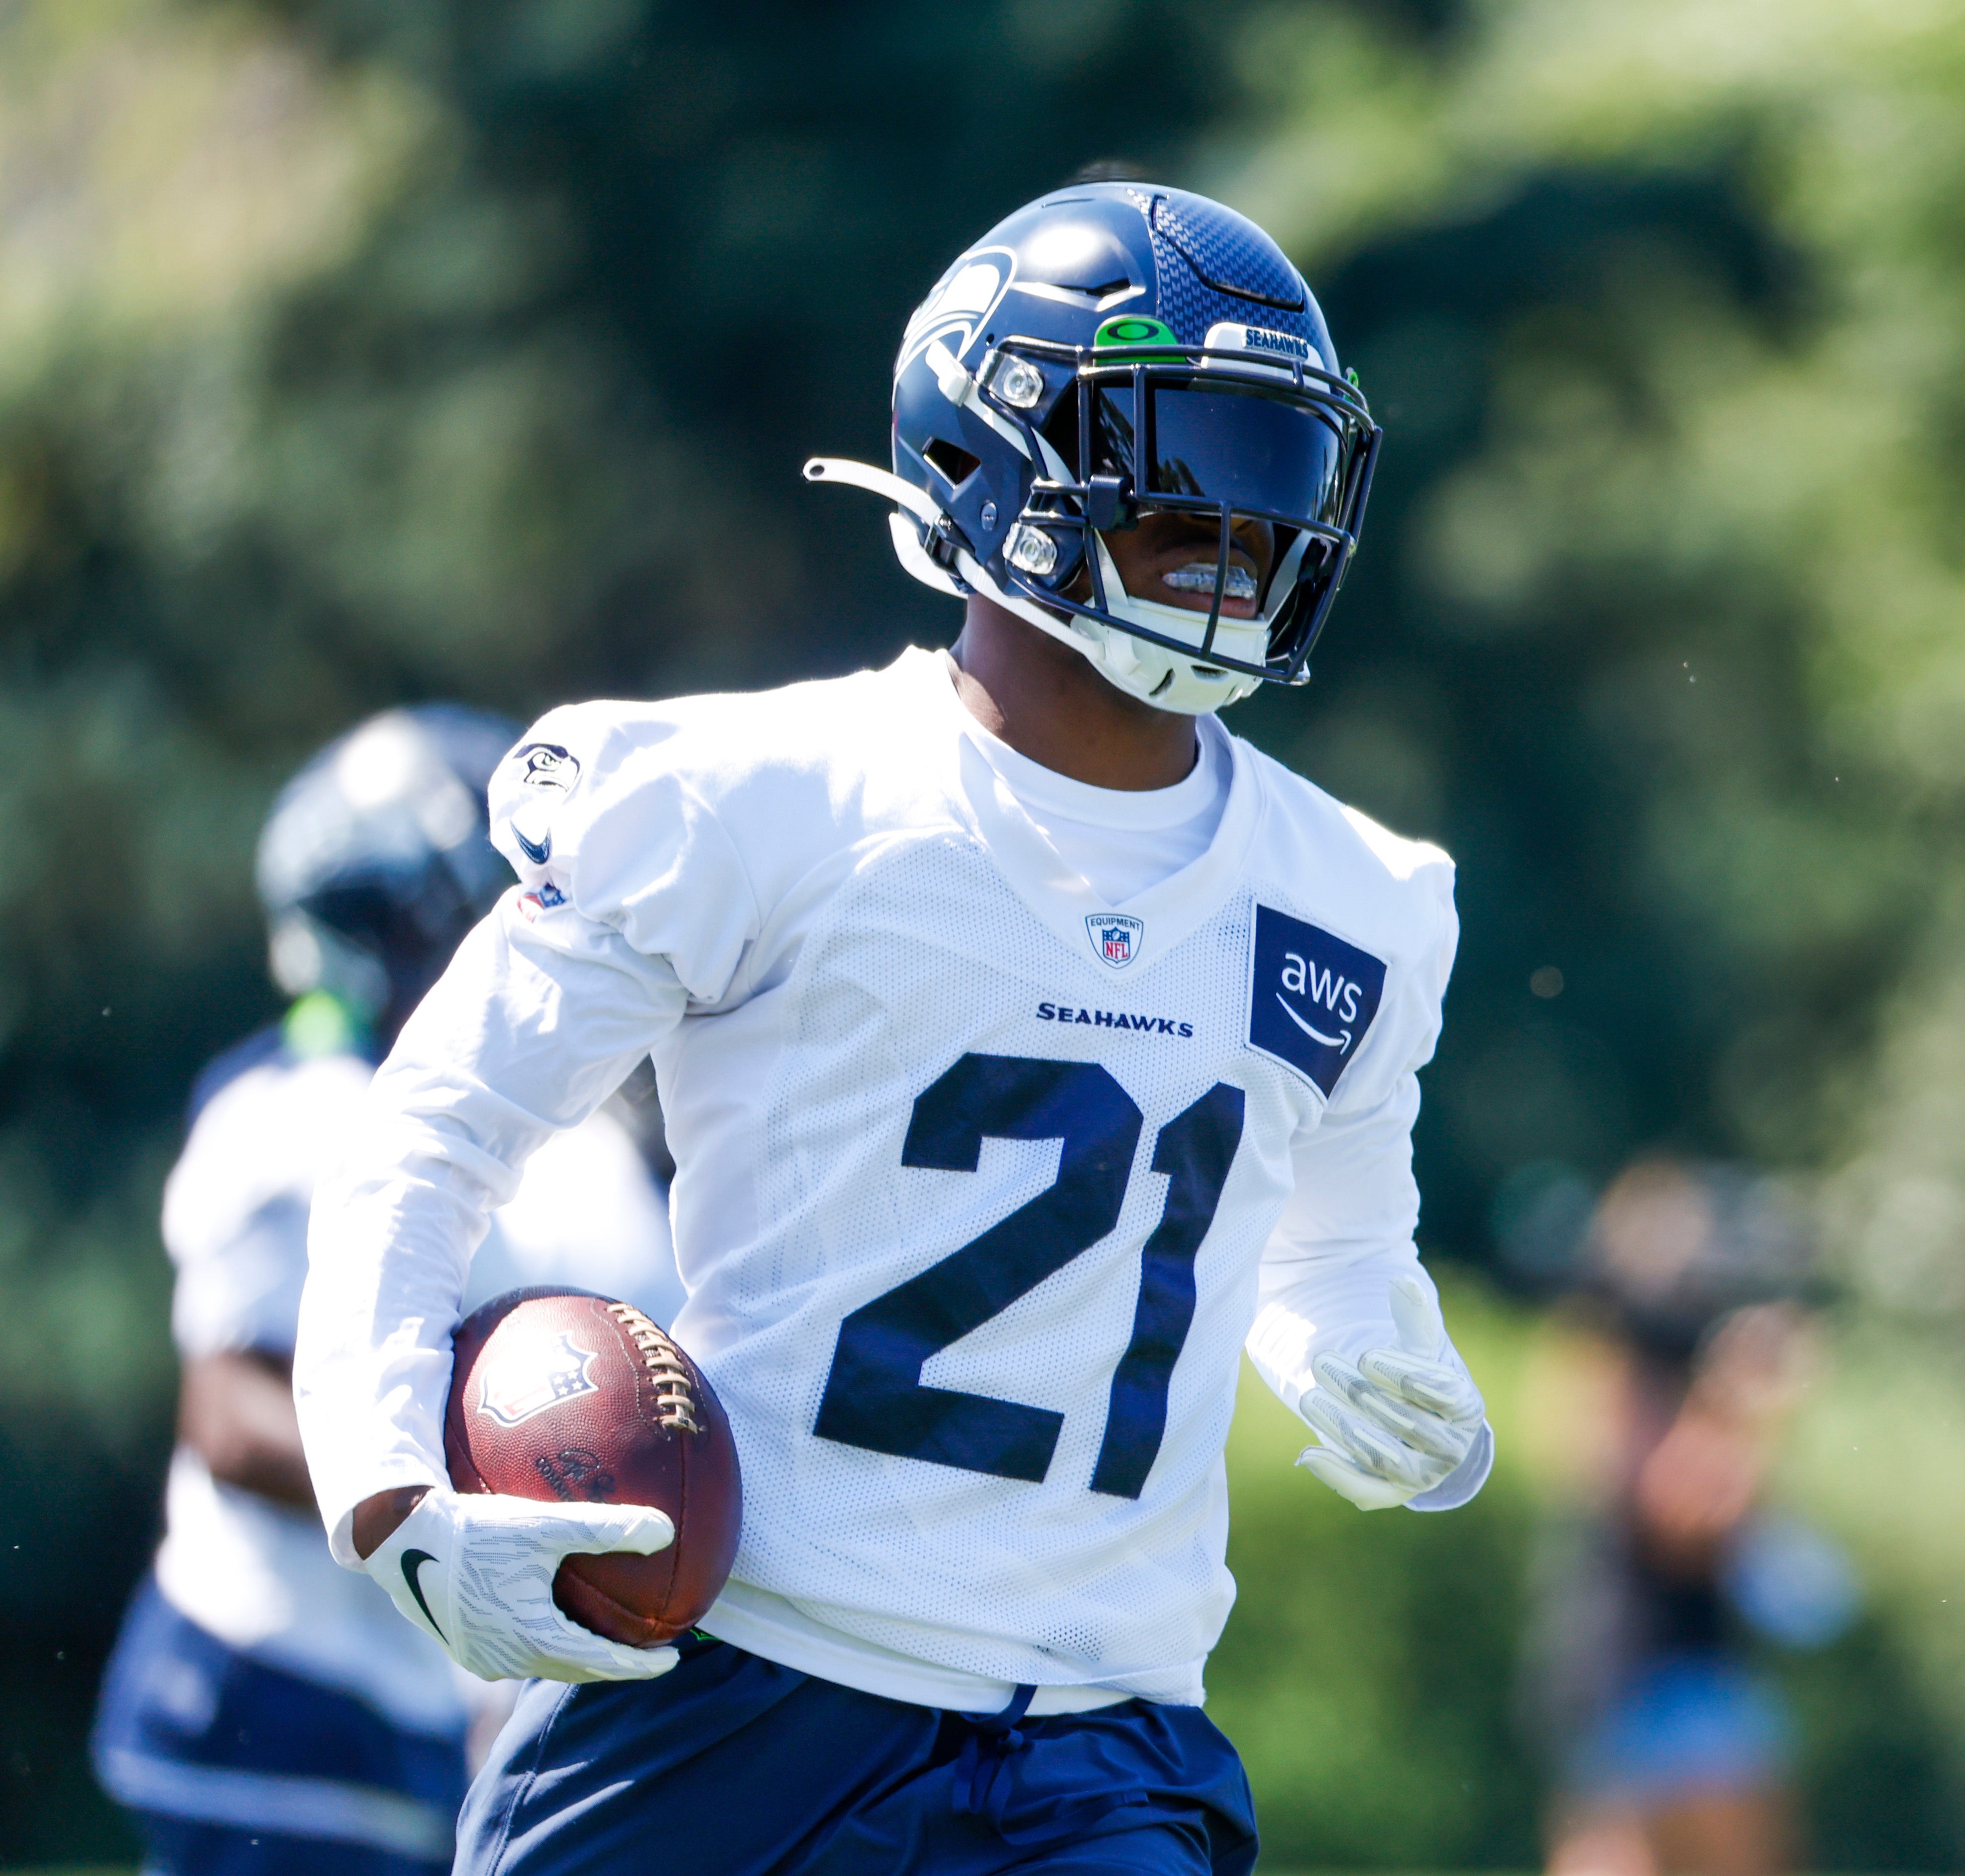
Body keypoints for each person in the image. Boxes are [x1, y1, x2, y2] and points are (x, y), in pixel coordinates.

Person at [291, 181, 1495, 1875]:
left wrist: (1368, 1349)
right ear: (986, 460)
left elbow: (1324, 1250)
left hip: (1106, 1733)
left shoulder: (1360, 897)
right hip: (744, 1692)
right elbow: (434, 1125)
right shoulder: (759, 798)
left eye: (1269, 474)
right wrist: (387, 1475)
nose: (1236, 530)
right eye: (1176, 468)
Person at [91, 706, 681, 1876]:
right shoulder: (295, 1108)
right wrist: (448, 1505)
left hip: (439, 1694)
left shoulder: (580, 1153)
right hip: (279, 1682)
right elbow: (227, 1409)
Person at [1520, 1159, 1843, 1876]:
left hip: (1667, 1665)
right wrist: (1749, 1410)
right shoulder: (1615, 1355)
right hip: (1639, 1666)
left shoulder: (1655, 1359)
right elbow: (1678, 1519)